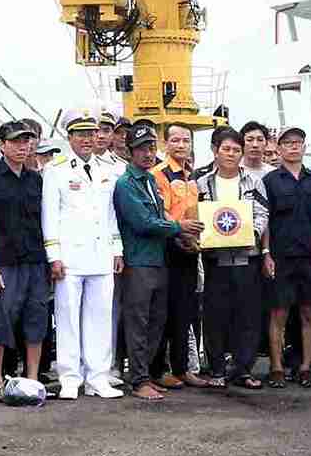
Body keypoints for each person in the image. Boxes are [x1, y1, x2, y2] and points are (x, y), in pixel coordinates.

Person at [45, 110, 125, 400]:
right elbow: (49, 216)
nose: (87, 140)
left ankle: (98, 377)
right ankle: (69, 377)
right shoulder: (56, 169)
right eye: (80, 135)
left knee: (100, 317)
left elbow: (111, 215)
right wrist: (53, 254)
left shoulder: (108, 170)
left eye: (90, 134)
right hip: (69, 256)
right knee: (67, 317)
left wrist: (117, 249)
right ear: (70, 138)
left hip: (101, 252)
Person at [114, 121, 193, 401]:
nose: (147, 154)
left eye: (150, 148)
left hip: (158, 260)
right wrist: (179, 228)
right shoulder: (126, 184)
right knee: (138, 322)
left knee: (156, 322)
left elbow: (159, 219)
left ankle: (146, 374)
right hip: (139, 261)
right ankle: (137, 380)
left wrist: (178, 236)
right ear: (130, 152)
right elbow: (144, 222)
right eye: (141, 149)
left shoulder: (149, 180)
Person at [0, 118, 53, 397]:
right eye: (16, 141)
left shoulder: (36, 179)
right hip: (5, 261)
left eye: (26, 141)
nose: (23, 146)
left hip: (35, 260)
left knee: (36, 317)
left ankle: (32, 378)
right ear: (2, 145)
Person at [196, 125, 271, 389]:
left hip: (247, 258)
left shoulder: (253, 181)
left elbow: (263, 213)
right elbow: (194, 215)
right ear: (215, 151)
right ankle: (217, 368)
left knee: (248, 315)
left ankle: (243, 369)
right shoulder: (201, 182)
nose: (231, 154)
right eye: (226, 149)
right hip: (214, 260)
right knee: (215, 315)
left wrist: (250, 232)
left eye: (236, 150)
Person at [259, 125, 311, 388]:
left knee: (309, 312)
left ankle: (305, 368)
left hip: (310, 256)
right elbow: (264, 219)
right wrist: (266, 253)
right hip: (280, 256)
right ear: (278, 148)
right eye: (287, 143)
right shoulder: (269, 181)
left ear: (304, 146)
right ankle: (277, 368)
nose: (293, 146)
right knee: (279, 313)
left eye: (298, 142)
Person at [154, 122, 204, 388]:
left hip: (191, 250)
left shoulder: (191, 175)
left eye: (186, 140)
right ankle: (159, 369)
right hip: (168, 247)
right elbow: (160, 211)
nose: (181, 145)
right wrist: (178, 234)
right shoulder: (158, 174)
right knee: (164, 312)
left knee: (185, 312)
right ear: (165, 144)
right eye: (176, 140)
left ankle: (183, 368)